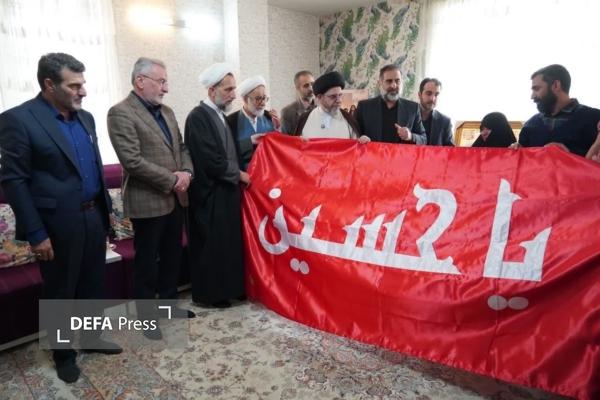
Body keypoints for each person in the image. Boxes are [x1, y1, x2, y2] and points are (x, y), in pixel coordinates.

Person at [0, 52, 121, 383]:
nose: (83, 91)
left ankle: (93, 338)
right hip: (55, 225)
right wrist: (36, 233)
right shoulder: (18, 119)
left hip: (93, 215)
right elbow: (14, 181)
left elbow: (93, 167)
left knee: (93, 283)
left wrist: (106, 215)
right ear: (49, 84)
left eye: (83, 84)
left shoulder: (87, 118)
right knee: (60, 292)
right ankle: (63, 355)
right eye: (74, 86)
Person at [107, 57, 195, 339]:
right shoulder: (120, 113)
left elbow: (181, 147)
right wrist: (173, 179)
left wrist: (187, 173)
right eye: (161, 82)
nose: (166, 88)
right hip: (148, 201)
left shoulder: (167, 111)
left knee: (172, 258)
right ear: (140, 81)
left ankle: (168, 307)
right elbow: (132, 161)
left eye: (165, 82)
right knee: (146, 264)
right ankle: (146, 320)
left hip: (175, 199)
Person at [184, 63, 260, 308]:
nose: (233, 94)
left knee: (229, 243)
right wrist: (238, 174)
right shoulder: (198, 117)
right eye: (228, 89)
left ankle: (232, 289)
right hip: (209, 194)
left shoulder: (220, 115)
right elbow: (209, 158)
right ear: (211, 90)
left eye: (233, 89)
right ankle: (213, 295)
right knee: (213, 246)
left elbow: (231, 149)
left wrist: (250, 143)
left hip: (226, 191)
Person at [513, 64, 600, 156]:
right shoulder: (530, 124)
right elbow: (523, 160)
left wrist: (569, 156)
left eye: (537, 89)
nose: (532, 96)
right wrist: (515, 151)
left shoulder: (595, 119)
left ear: (556, 85)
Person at [355, 64, 426, 144]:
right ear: (380, 83)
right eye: (389, 81)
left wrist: (410, 136)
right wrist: (360, 138)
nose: (393, 85)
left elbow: (423, 139)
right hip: (372, 152)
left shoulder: (413, 108)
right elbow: (353, 134)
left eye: (397, 81)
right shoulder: (364, 107)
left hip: (401, 152)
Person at [294, 71, 369, 143]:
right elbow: (296, 148)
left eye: (340, 95)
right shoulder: (304, 119)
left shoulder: (349, 119)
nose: (339, 100)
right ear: (319, 97)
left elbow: (356, 148)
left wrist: (362, 141)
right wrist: (298, 142)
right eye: (333, 96)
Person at [226, 75, 278, 168]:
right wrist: (249, 142)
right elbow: (228, 153)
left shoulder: (269, 116)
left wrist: (278, 128)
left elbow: (277, 147)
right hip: (244, 172)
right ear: (245, 99)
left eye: (264, 98)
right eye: (258, 98)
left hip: (269, 170)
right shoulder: (231, 121)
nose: (263, 103)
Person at [418, 78, 454, 146]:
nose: (433, 99)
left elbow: (450, 150)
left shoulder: (445, 121)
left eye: (436, 95)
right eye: (429, 94)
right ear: (419, 95)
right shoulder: (408, 116)